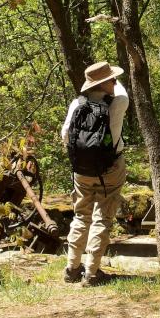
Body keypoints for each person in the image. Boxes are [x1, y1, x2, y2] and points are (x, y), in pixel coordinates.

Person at [61, 61, 129, 287]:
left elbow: (65, 135)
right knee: (103, 217)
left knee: (81, 215)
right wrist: (112, 80)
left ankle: (71, 268)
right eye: (112, 78)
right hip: (111, 169)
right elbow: (120, 90)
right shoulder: (118, 103)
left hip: (81, 171)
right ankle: (91, 273)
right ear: (108, 82)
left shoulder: (76, 104)